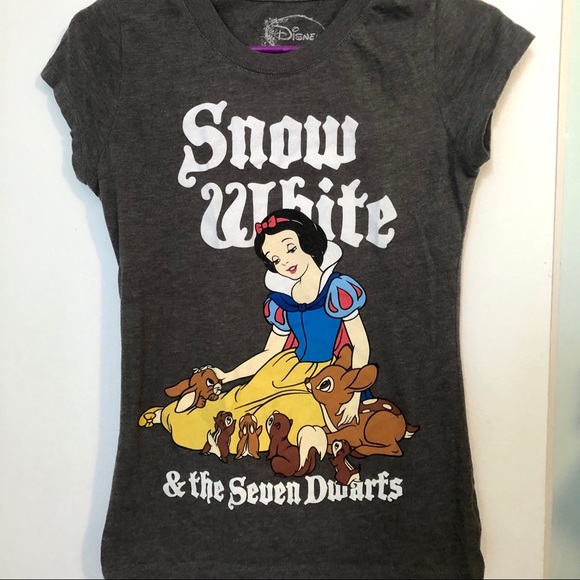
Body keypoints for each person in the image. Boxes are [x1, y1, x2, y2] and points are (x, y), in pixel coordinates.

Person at [139, 209, 372, 453]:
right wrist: (228, 376)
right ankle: (168, 416)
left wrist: (353, 396)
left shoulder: (338, 289)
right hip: (284, 368)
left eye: (290, 249)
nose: (285, 263)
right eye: (275, 260)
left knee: (275, 419)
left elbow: (360, 345)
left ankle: (209, 439)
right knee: (237, 401)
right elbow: (270, 352)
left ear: (308, 242)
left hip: (326, 378)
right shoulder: (281, 302)